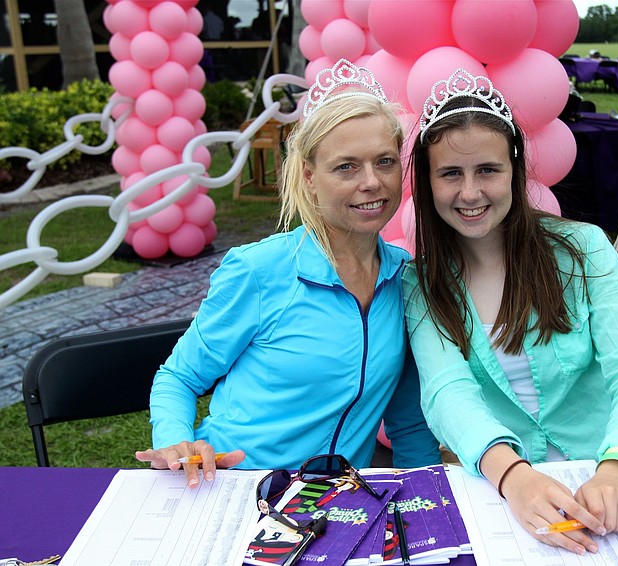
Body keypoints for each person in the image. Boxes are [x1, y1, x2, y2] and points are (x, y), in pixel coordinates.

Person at [404, 69, 618, 556]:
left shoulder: (583, 249)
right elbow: (447, 391)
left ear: (516, 169)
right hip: (500, 486)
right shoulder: (420, 280)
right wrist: (513, 474)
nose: (470, 193)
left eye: (487, 169)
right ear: (428, 183)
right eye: (451, 173)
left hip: (608, 469)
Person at [136, 59, 441, 486]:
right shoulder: (258, 270)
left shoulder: (406, 280)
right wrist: (175, 442)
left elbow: (408, 423)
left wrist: (429, 498)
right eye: (346, 166)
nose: (372, 182)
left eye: (385, 162)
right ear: (309, 177)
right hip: (232, 487)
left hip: (333, 502)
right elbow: (179, 377)